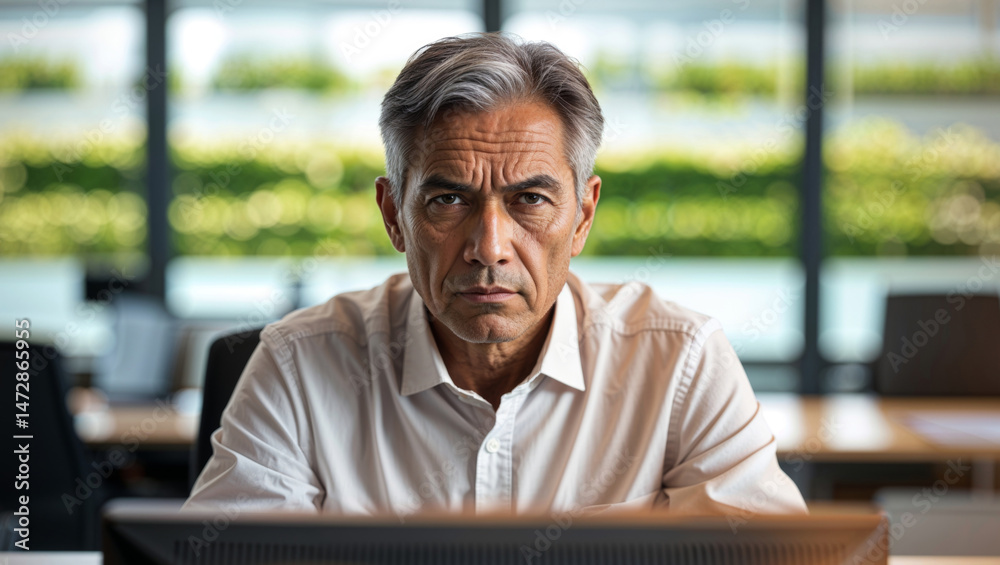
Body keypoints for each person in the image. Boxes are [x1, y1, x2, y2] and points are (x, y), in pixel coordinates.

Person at [184, 32, 807, 518]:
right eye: (447, 201)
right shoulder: (298, 365)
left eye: (530, 201)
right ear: (392, 214)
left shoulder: (679, 361)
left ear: (582, 215)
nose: (488, 247)